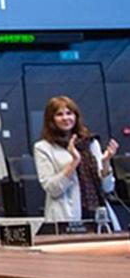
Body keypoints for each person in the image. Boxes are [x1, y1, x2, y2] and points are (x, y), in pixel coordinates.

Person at [33, 96, 120, 228]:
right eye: (59, 114)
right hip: (66, 215)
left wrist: (106, 162)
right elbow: (52, 189)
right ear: (51, 119)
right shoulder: (43, 147)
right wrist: (74, 162)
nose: (66, 118)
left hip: (98, 214)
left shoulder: (90, 143)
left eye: (69, 113)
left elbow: (107, 188)